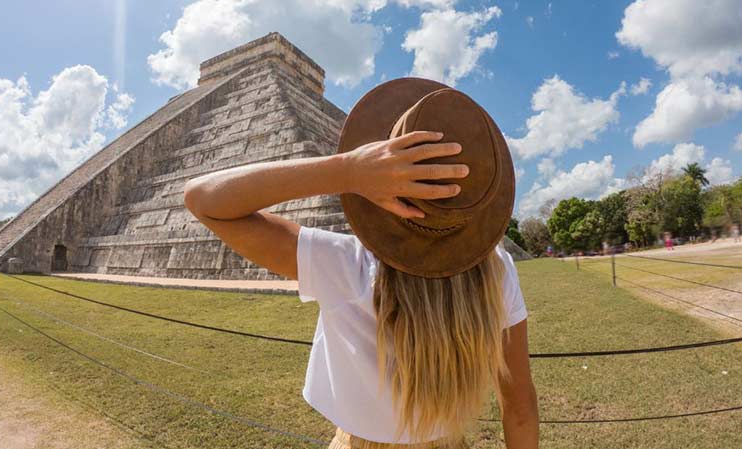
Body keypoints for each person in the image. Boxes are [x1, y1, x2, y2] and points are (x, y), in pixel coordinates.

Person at [184, 78, 539, 449]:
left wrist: (348, 172)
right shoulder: (498, 269)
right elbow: (519, 407)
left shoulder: (346, 264)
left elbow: (203, 199)